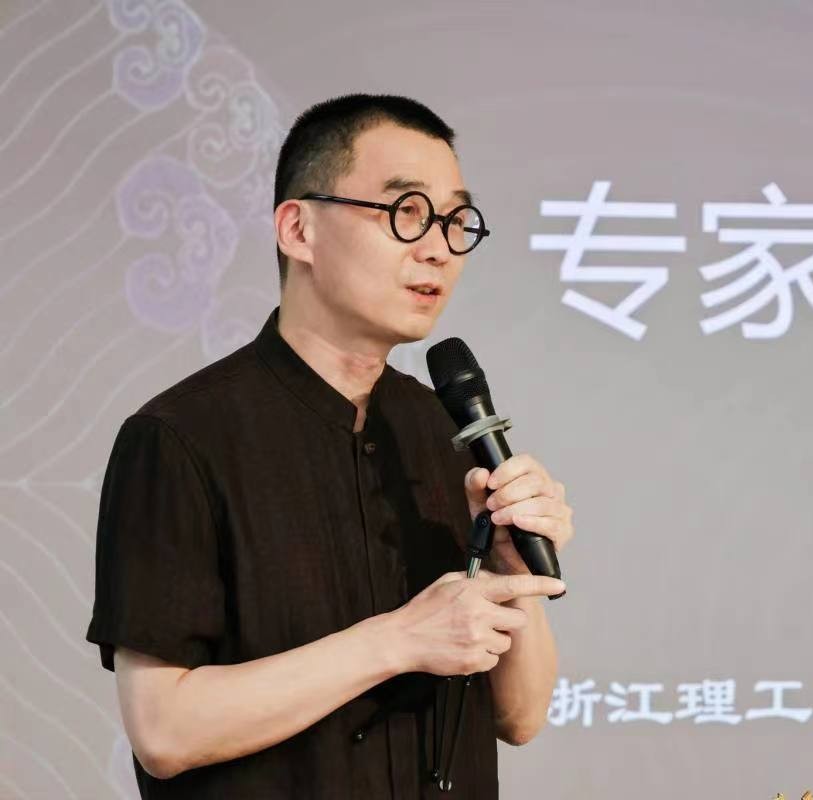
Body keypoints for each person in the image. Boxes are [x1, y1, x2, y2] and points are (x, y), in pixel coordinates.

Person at [85, 94, 574, 799]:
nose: (438, 247)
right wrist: (397, 641)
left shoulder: (445, 429)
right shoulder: (180, 438)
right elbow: (164, 731)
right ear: (299, 229)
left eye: (455, 221)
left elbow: (521, 716)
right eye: (406, 211)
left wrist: (508, 567)